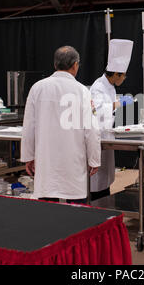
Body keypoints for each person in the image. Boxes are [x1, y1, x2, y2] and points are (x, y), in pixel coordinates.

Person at [20, 46, 101, 204]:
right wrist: (94, 159)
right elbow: (91, 130)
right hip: (73, 159)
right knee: (77, 204)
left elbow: (29, 125)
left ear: (55, 64)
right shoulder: (82, 91)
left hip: (46, 158)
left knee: (48, 203)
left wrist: (28, 156)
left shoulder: (38, 88)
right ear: (75, 65)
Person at [89, 39, 134, 201]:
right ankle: (96, 204)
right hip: (97, 137)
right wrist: (119, 103)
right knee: (97, 179)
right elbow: (97, 111)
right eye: (123, 76)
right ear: (116, 74)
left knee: (104, 176)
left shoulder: (110, 86)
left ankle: (104, 200)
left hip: (105, 136)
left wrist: (117, 103)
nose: (124, 79)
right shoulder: (98, 86)